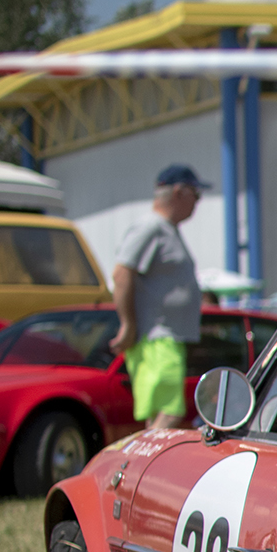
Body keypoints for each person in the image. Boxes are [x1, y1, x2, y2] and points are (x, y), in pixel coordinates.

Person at [109, 164, 208, 429]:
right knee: (171, 413)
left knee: (158, 416)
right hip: (157, 338)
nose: (197, 204)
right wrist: (127, 324)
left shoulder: (166, 229)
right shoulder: (151, 227)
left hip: (163, 338)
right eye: (196, 196)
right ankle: (146, 467)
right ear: (179, 192)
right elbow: (121, 273)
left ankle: (144, 467)